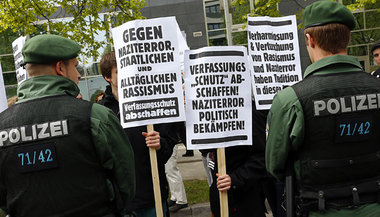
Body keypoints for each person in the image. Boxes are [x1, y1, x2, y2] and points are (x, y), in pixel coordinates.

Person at [0, 34, 135, 217]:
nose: (79, 74)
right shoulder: (96, 116)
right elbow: (125, 181)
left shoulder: (3, 125)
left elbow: (4, 196)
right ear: (60, 68)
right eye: (75, 65)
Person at [266, 1, 380, 217]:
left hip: (318, 209)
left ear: (310, 39)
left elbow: (275, 166)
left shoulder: (290, 99)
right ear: (347, 37)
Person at [98, 51, 175, 217]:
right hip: (120, 202)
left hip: (152, 197)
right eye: (119, 71)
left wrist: (160, 144)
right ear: (108, 77)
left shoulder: (152, 105)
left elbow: (168, 148)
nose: (127, 75)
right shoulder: (101, 112)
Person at [208, 103, 268, 217]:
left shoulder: (250, 112)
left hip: (245, 201)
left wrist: (235, 179)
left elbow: (262, 159)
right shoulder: (210, 110)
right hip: (219, 198)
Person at [164, 123, 189, 212]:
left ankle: (181, 200)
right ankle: (174, 197)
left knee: (171, 171)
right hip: (168, 140)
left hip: (169, 142)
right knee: (168, 171)